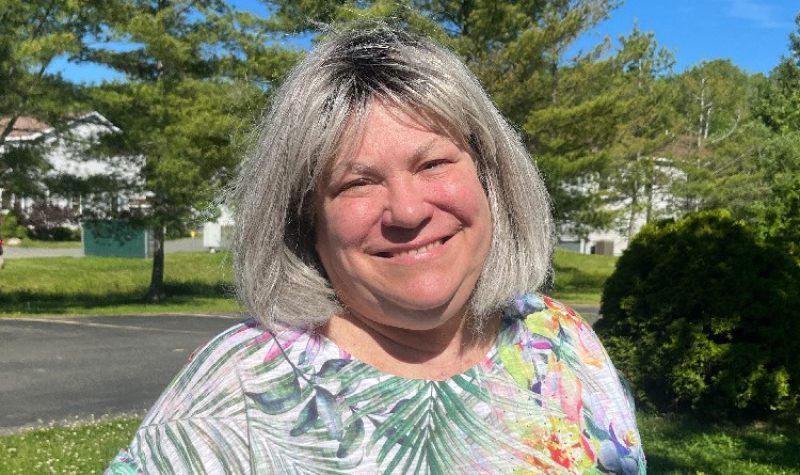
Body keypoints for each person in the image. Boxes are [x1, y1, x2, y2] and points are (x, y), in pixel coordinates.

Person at [107, 27, 645, 474]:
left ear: (491, 181)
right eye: (357, 183)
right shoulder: (234, 398)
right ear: (305, 221)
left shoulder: (558, 341)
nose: (407, 212)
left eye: (433, 164)